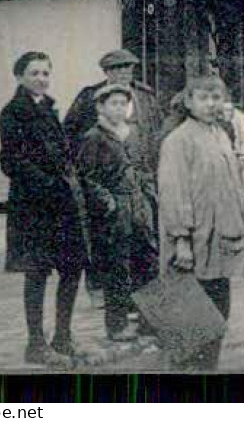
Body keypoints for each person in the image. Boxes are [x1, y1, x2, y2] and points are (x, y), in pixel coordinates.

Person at [0, 51, 90, 368]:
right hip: (33, 208)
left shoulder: (49, 109)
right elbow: (11, 161)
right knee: (37, 273)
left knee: (72, 266)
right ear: (20, 76)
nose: (41, 78)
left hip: (62, 206)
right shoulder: (12, 113)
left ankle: (63, 337)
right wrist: (49, 185)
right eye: (34, 73)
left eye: (45, 73)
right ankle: (35, 343)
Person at [158, 72, 244, 371]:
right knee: (191, 317)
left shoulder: (220, 134)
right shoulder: (178, 140)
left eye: (216, 97)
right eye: (203, 98)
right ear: (189, 101)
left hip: (221, 238)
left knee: (219, 312)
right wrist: (181, 241)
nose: (211, 104)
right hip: (192, 243)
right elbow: (175, 192)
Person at [77, 84, 160, 343]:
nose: (120, 108)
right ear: (100, 107)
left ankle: (150, 321)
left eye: (124, 103)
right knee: (117, 267)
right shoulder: (94, 137)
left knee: (147, 263)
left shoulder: (134, 133)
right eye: (113, 103)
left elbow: (144, 166)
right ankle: (117, 324)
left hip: (139, 206)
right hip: (115, 212)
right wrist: (108, 201)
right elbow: (87, 178)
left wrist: (149, 193)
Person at [63, 49, 163, 173]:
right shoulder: (89, 96)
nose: (124, 72)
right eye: (117, 68)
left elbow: (157, 130)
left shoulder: (145, 96)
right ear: (107, 71)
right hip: (104, 171)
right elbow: (70, 132)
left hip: (142, 170)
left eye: (128, 67)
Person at [219, 90, 244, 203]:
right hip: (222, 158)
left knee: (241, 188)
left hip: (238, 156)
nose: (227, 113)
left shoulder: (241, 119)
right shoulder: (216, 118)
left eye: (229, 109)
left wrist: (243, 156)